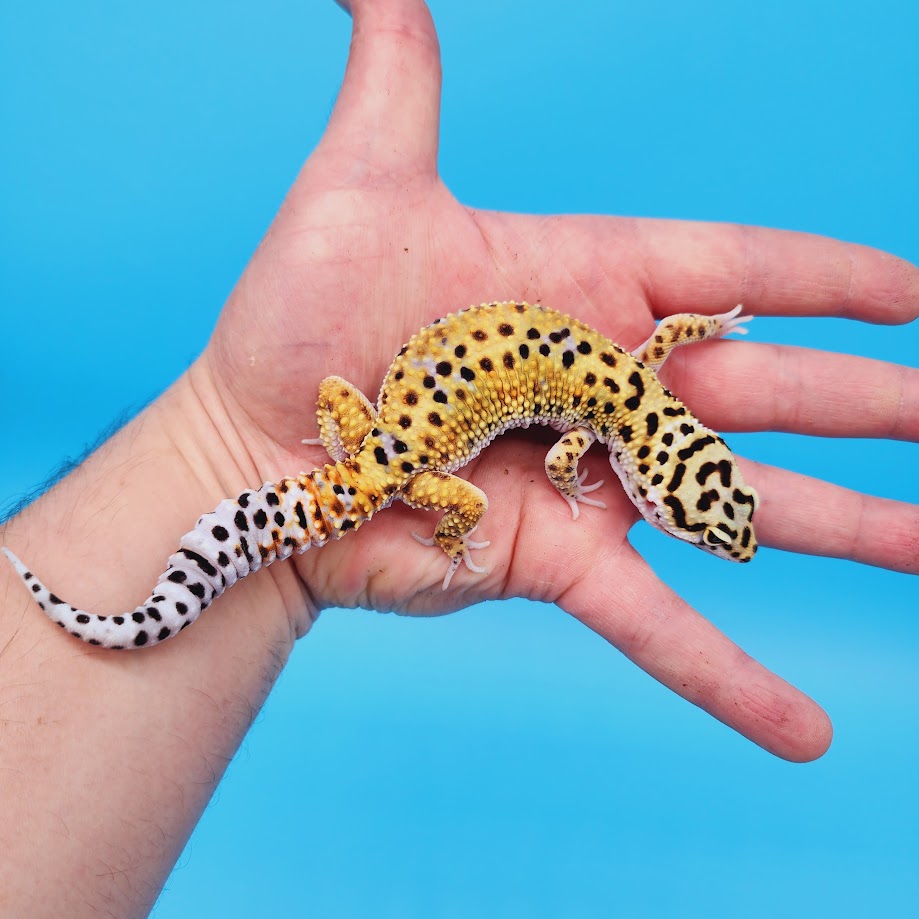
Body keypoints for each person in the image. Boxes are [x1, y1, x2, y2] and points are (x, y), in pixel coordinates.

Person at [1, 0, 916, 914]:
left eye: (713, 524)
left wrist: (711, 322)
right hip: (396, 461)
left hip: (373, 430)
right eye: (702, 523)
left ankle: (150, 597)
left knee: (342, 492)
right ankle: (155, 598)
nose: (712, 534)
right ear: (661, 476)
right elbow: (561, 468)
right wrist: (474, 514)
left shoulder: (647, 378)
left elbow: (673, 331)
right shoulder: (591, 438)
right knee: (465, 511)